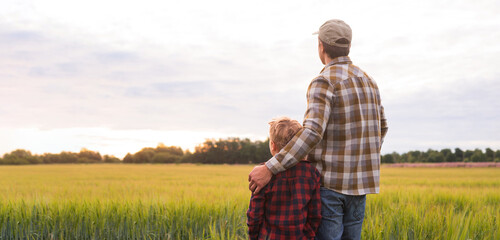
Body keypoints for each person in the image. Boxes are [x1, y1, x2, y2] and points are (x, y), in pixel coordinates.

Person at [248, 19, 388, 240]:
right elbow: (382, 126)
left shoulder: (324, 81)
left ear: (321, 46)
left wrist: (270, 168)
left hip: (330, 186)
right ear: (348, 46)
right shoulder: (369, 81)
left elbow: (312, 132)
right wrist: (361, 159)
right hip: (360, 188)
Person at [247, 117, 322, 240]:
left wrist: (255, 236)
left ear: (273, 145)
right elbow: (315, 214)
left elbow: (254, 214)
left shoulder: (263, 173)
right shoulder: (311, 173)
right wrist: (308, 236)